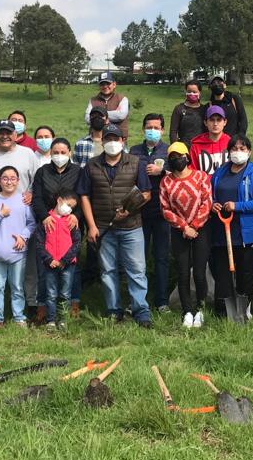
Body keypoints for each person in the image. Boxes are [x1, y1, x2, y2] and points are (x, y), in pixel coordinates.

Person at [77, 124, 153, 327]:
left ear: (123, 141)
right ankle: (113, 310)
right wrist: (91, 226)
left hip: (132, 226)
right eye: (108, 139)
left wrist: (130, 209)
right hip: (103, 227)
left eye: (115, 139)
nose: (112, 143)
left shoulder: (135, 163)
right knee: (107, 270)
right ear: (102, 142)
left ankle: (141, 311)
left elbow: (146, 193)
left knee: (136, 270)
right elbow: (84, 196)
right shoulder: (92, 165)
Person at [210, 135, 253, 322]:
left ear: (249, 152)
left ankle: (245, 310)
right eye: (234, 148)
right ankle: (224, 310)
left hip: (246, 232)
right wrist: (213, 204)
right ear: (228, 152)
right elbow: (209, 195)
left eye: (242, 148)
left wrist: (238, 206)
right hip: (221, 230)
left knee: (245, 272)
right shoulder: (219, 173)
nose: (238, 152)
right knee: (223, 272)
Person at [160, 141, 213, 328]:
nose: (177, 160)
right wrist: (184, 227)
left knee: (199, 273)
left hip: (201, 230)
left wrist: (195, 226)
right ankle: (187, 311)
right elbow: (165, 209)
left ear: (187, 157)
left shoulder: (201, 177)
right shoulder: (166, 181)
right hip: (179, 231)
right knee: (182, 273)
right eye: (173, 157)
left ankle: (201, 309)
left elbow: (207, 202)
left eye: (180, 156)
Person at [31, 137, 83, 318]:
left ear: (69, 153)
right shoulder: (42, 172)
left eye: (63, 152)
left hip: (70, 224)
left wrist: (76, 216)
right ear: (50, 153)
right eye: (55, 153)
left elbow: (84, 197)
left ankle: (73, 303)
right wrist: (44, 216)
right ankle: (43, 304)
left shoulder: (78, 171)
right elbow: (36, 198)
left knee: (71, 265)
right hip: (48, 223)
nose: (59, 156)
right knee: (45, 265)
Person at [0, 165, 37, 330]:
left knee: (17, 287)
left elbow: (32, 223)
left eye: (13, 178)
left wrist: (23, 236)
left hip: (18, 253)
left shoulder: (23, 201)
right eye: (5, 178)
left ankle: (19, 317)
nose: (9, 182)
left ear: (18, 181)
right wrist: (0, 214)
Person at [130, 114, 171, 314]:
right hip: (139, 212)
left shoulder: (169, 150)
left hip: (163, 212)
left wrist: (161, 172)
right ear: (143, 129)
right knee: (139, 259)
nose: (152, 130)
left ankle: (162, 300)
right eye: (148, 126)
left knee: (161, 257)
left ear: (162, 130)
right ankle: (138, 300)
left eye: (156, 127)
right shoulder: (134, 151)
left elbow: (180, 172)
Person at [33, 189, 81, 331]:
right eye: (68, 205)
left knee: (66, 294)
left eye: (73, 207)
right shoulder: (46, 221)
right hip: (50, 264)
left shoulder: (71, 222)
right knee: (51, 293)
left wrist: (64, 260)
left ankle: (63, 320)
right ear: (59, 200)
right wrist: (49, 259)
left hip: (67, 264)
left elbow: (77, 243)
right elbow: (39, 244)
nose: (70, 209)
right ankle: (51, 320)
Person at [84, 71, 129, 137]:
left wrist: (96, 115)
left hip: (117, 140)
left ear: (114, 84)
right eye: (102, 84)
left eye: (108, 83)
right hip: (97, 138)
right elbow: (87, 119)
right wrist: (113, 114)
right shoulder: (93, 100)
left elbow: (121, 115)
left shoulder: (122, 99)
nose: (105, 86)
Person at [189, 105, 231, 175]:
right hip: (204, 185)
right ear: (205, 122)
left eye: (219, 120)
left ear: (225, 122)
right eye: (212, 120)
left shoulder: (231, 143)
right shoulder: (196, 146)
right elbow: (193, 172)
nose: (215, 124)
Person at [169, 80, 207, 145]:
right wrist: (176, 149)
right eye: (189, 92)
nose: (192, 94)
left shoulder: (204, 109)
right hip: (184, 148)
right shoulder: (179, 109)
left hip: (201, 147)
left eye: (194, 92)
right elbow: (173, 131)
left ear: (199, 93)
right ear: (185, 92)